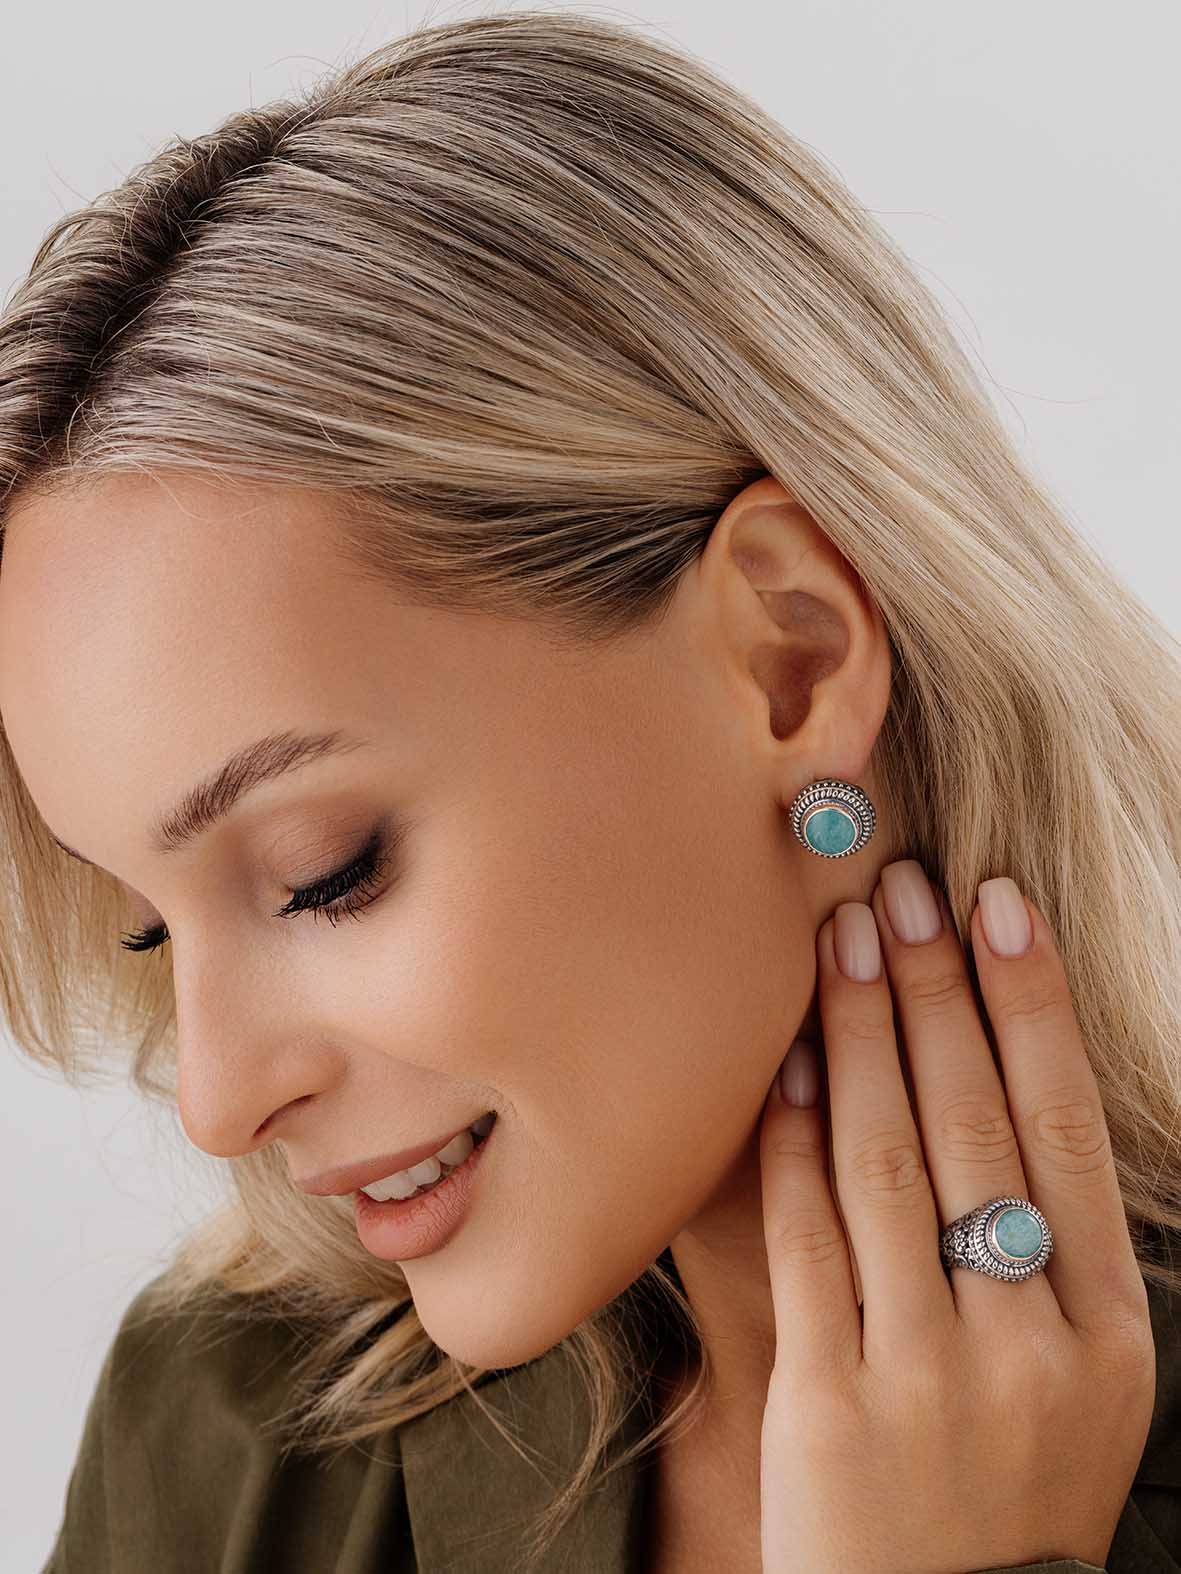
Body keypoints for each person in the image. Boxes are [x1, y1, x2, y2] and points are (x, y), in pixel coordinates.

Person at [3, 12, 1179, 1573]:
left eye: (322, 870)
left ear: (789, 655)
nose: (218, 1099)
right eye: (150, 927)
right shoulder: (229, 1432)